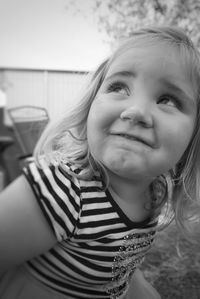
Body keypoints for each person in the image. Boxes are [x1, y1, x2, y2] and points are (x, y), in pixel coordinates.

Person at [0, 26, 200, 299]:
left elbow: (117, 264)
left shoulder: (154, 192)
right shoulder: (63, 190)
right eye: (119, 86)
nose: (137, 111)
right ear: (90, 105)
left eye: (168, 99)